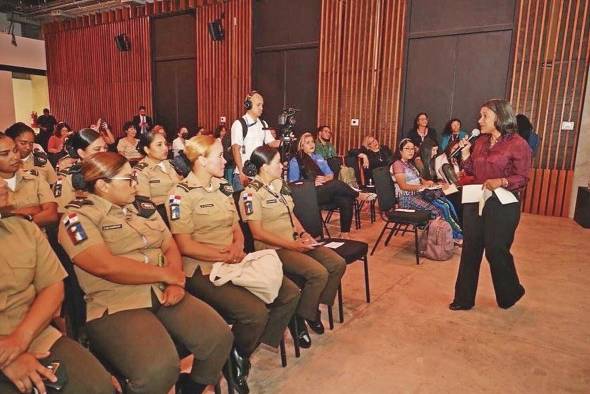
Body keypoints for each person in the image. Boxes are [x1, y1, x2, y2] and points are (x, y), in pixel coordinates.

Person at [58, 152, 233, 394]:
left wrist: (174, 281)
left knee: (218, 337)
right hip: (117, 302)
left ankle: (192, 388)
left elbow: (170, 244)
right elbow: (103, 265)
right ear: (102, 185)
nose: (135, 185)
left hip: (163, 291)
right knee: (159, 369)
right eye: (127, 180)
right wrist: (166, 275)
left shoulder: (142, 207)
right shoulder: (76, 218)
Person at [167, 135, 300, 394]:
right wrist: (224, 256)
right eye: (219, 155)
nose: (225, 159)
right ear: (202, 161)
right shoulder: (179, 195)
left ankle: (238, 352)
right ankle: (235, 356)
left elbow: (236, 227)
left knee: (288, 293)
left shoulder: (223, 188)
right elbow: (184, 246)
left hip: (233, 260)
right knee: (254, 313)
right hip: (202, 270)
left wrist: (238, 247)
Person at [0, 181, 113, 394]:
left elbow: (52, 286)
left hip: (33, 331)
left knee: (99, 387)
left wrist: (20, 339)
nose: (3, 183)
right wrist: (6, 358)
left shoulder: (22, 228)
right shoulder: (76, 217)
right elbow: (102, 265)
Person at [241, 145, 346, 348]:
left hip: (294, 240)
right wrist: (292, 245)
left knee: (336, 263)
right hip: (273, 249)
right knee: (318, 273)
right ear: (264, 167)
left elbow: (291, 215)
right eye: (277, 162)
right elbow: (257, 233)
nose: (282, 166)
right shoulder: (250, 194)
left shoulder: (280, 184)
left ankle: (308, 307)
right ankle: (300, 319)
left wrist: (304, 234)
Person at [450, 99, 531, 311]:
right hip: (477, 198)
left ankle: (510, 292)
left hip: (503, 202)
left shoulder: (518, 143)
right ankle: (463, 299)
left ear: (500, 117)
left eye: (484, 116)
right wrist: (466, 155)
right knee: (470, 249)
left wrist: (502, 181)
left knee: (496, 249)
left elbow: (522, 177)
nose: (479, 120)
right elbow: (472, 170)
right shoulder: (481, 141)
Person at [288, 132, 358, 238]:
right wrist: (311, 183)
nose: (312, 144)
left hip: (324, 190)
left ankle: (344, 233)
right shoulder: (295, 161)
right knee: (336, 184)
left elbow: (331, 174)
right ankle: (357, 195)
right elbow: (293, 184)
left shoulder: (319, 157)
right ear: (301, 146)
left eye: (312, 142)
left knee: (345, 198)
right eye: (307, 143)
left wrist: (325, 178)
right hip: (309, 194)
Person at [0, 134, 58, 228]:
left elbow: (51, 215)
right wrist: (33, 211)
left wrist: (9, 216)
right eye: (4, 154)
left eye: (15, 151)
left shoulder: (35, 178)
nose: (15, 157)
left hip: (39, 241)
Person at [230, 91, 280, 192]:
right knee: (244, 206)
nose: (261, 108)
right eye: (258, 105)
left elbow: (272, 143)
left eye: (262, 105)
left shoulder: (263, 124)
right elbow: (236, 149)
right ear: (248, 105)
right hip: (244, 174)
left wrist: (285, 140)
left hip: (259, 176)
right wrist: (241, 172)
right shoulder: (239, 124)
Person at [54, 129, 108, 213]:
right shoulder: (67, 177)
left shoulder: (110, 170)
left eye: (105, 148)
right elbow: (63, 212)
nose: (103, 152)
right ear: (81, 153)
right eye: (97, 149)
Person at [134, 130, 181, 225]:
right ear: (147, 149)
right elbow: (145, 206)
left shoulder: (170, 164)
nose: (165, 148)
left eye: (165, 144)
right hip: (160, 215)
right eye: (159, 145)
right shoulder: (141, 171)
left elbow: (181, 187)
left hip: (178, 209)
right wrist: (173, 202)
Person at [5, 122, 57, 186]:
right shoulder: (4, 163)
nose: (28, 147)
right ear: (11, 141)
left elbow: (53, 183)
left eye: (31, 143)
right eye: (23, 143)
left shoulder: (41, 161)